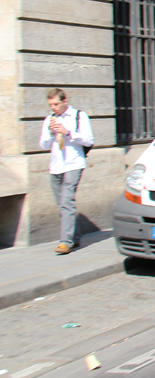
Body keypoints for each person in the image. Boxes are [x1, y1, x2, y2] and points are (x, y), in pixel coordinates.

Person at [40, 88, 93, 254]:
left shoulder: (79, 116)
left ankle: (65, 242)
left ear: (64, 101)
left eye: (56, 104)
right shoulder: (50, 119)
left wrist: (68, 133)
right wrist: (50, 132)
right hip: (56, 166)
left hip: (73, 164)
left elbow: (88, 139)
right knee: (63, 204)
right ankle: (75, 237)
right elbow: (43, 145)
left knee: (66, 201)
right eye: (51, 105)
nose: (53, 108)